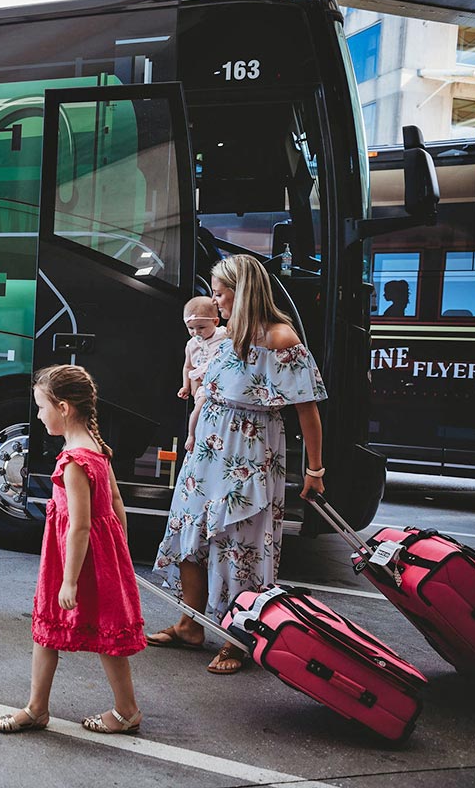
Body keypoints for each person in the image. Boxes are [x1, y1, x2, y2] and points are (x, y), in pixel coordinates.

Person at [149, 254, 327, 674]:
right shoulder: (227, 336)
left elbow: (308, 411)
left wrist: (315, 469)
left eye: (220, 292)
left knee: (239, 543)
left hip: (248, 451)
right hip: (208, 449)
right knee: (191, 532)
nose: (215, 301)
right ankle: (189, 625)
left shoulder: (281, 338)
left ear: (242, 290)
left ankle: (238, 638)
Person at [0, 365, 145, 735]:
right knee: (92, 630)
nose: (39, 416)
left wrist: (69, 581)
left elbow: (79, 525)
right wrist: (118, 550)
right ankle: (39, 707)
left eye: (41, 408)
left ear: (62, 407)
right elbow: (116, 503)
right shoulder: (95, 446)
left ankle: (123, 711)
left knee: (65, 627)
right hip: (100, 555)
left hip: (75, 560)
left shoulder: (74, 461)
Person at [178, 295, 229, 453]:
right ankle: (191, 435)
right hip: (202, 385)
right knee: (198, 408)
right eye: (191, 328)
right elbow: (188, 366)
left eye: (201, 327)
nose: (196, 332)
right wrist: (185, 385)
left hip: (221, 383)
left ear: (215, 322)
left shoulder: (223, 335)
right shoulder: (191, 344)